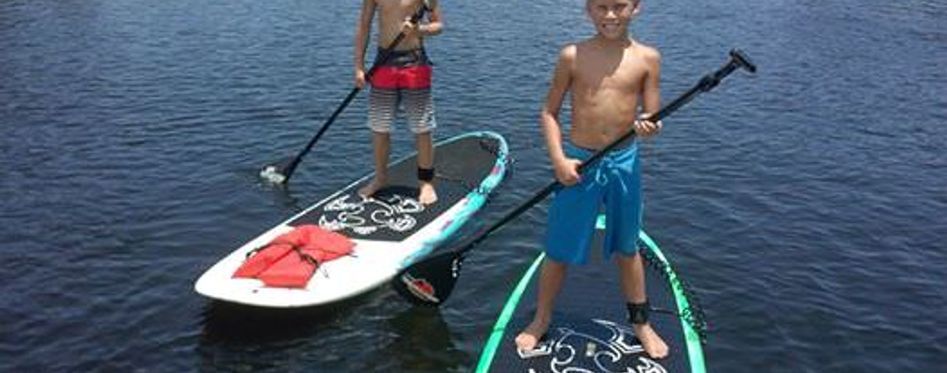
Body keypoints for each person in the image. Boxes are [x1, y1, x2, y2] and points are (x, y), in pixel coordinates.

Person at [514, 0, 668, 359]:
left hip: (625, 162)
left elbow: (654, 116)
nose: (610, 15)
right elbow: (548, 112)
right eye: (601, 7)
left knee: (627, 247)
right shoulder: (572, 55)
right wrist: (558, 160)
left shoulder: (648, 58)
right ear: (588, 9)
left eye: (619, 6)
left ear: (636, 8)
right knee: (558, 246)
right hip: (579, 162)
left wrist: (650, 126)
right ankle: (541, 317)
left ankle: (641, 322)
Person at [354, 0, 442, 205]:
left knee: (422, 127)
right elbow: (363, 27)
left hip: (415, 63)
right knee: (379, 127)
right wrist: (358, 66)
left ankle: (426, 182)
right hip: (383, 63)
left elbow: (438, 25)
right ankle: (380, 178)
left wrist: (419, 30)